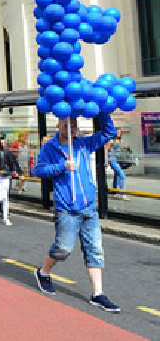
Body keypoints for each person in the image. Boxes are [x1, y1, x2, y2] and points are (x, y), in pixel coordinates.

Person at [32, 115, 120, 313]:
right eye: (66, 125)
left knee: (95, 249)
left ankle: (98, 294)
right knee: (63, 248)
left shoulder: (83, 144)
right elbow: (37, 171)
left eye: (74, 125)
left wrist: (103, 112)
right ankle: (43, 272)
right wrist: (61, 167)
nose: (71, 128)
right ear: (58, 126)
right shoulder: (50, 148)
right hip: (67, 209)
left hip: (89, 207)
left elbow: (108, 133)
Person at [0, 136, 20, 226]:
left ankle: (5, 218)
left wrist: (15, 171)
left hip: (5, 176)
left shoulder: (5, 152)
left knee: (5, 197)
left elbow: (13, 163)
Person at [105, 135, 129, 201]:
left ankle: (114, 193)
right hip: (112, 160)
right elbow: (106, 149)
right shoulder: (111, 141)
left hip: (117, 159)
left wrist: (125, 146)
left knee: (117, 176)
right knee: (122, 176)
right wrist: (106, 160)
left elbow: (120, 147)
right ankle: (123, 195)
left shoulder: (120, 140)